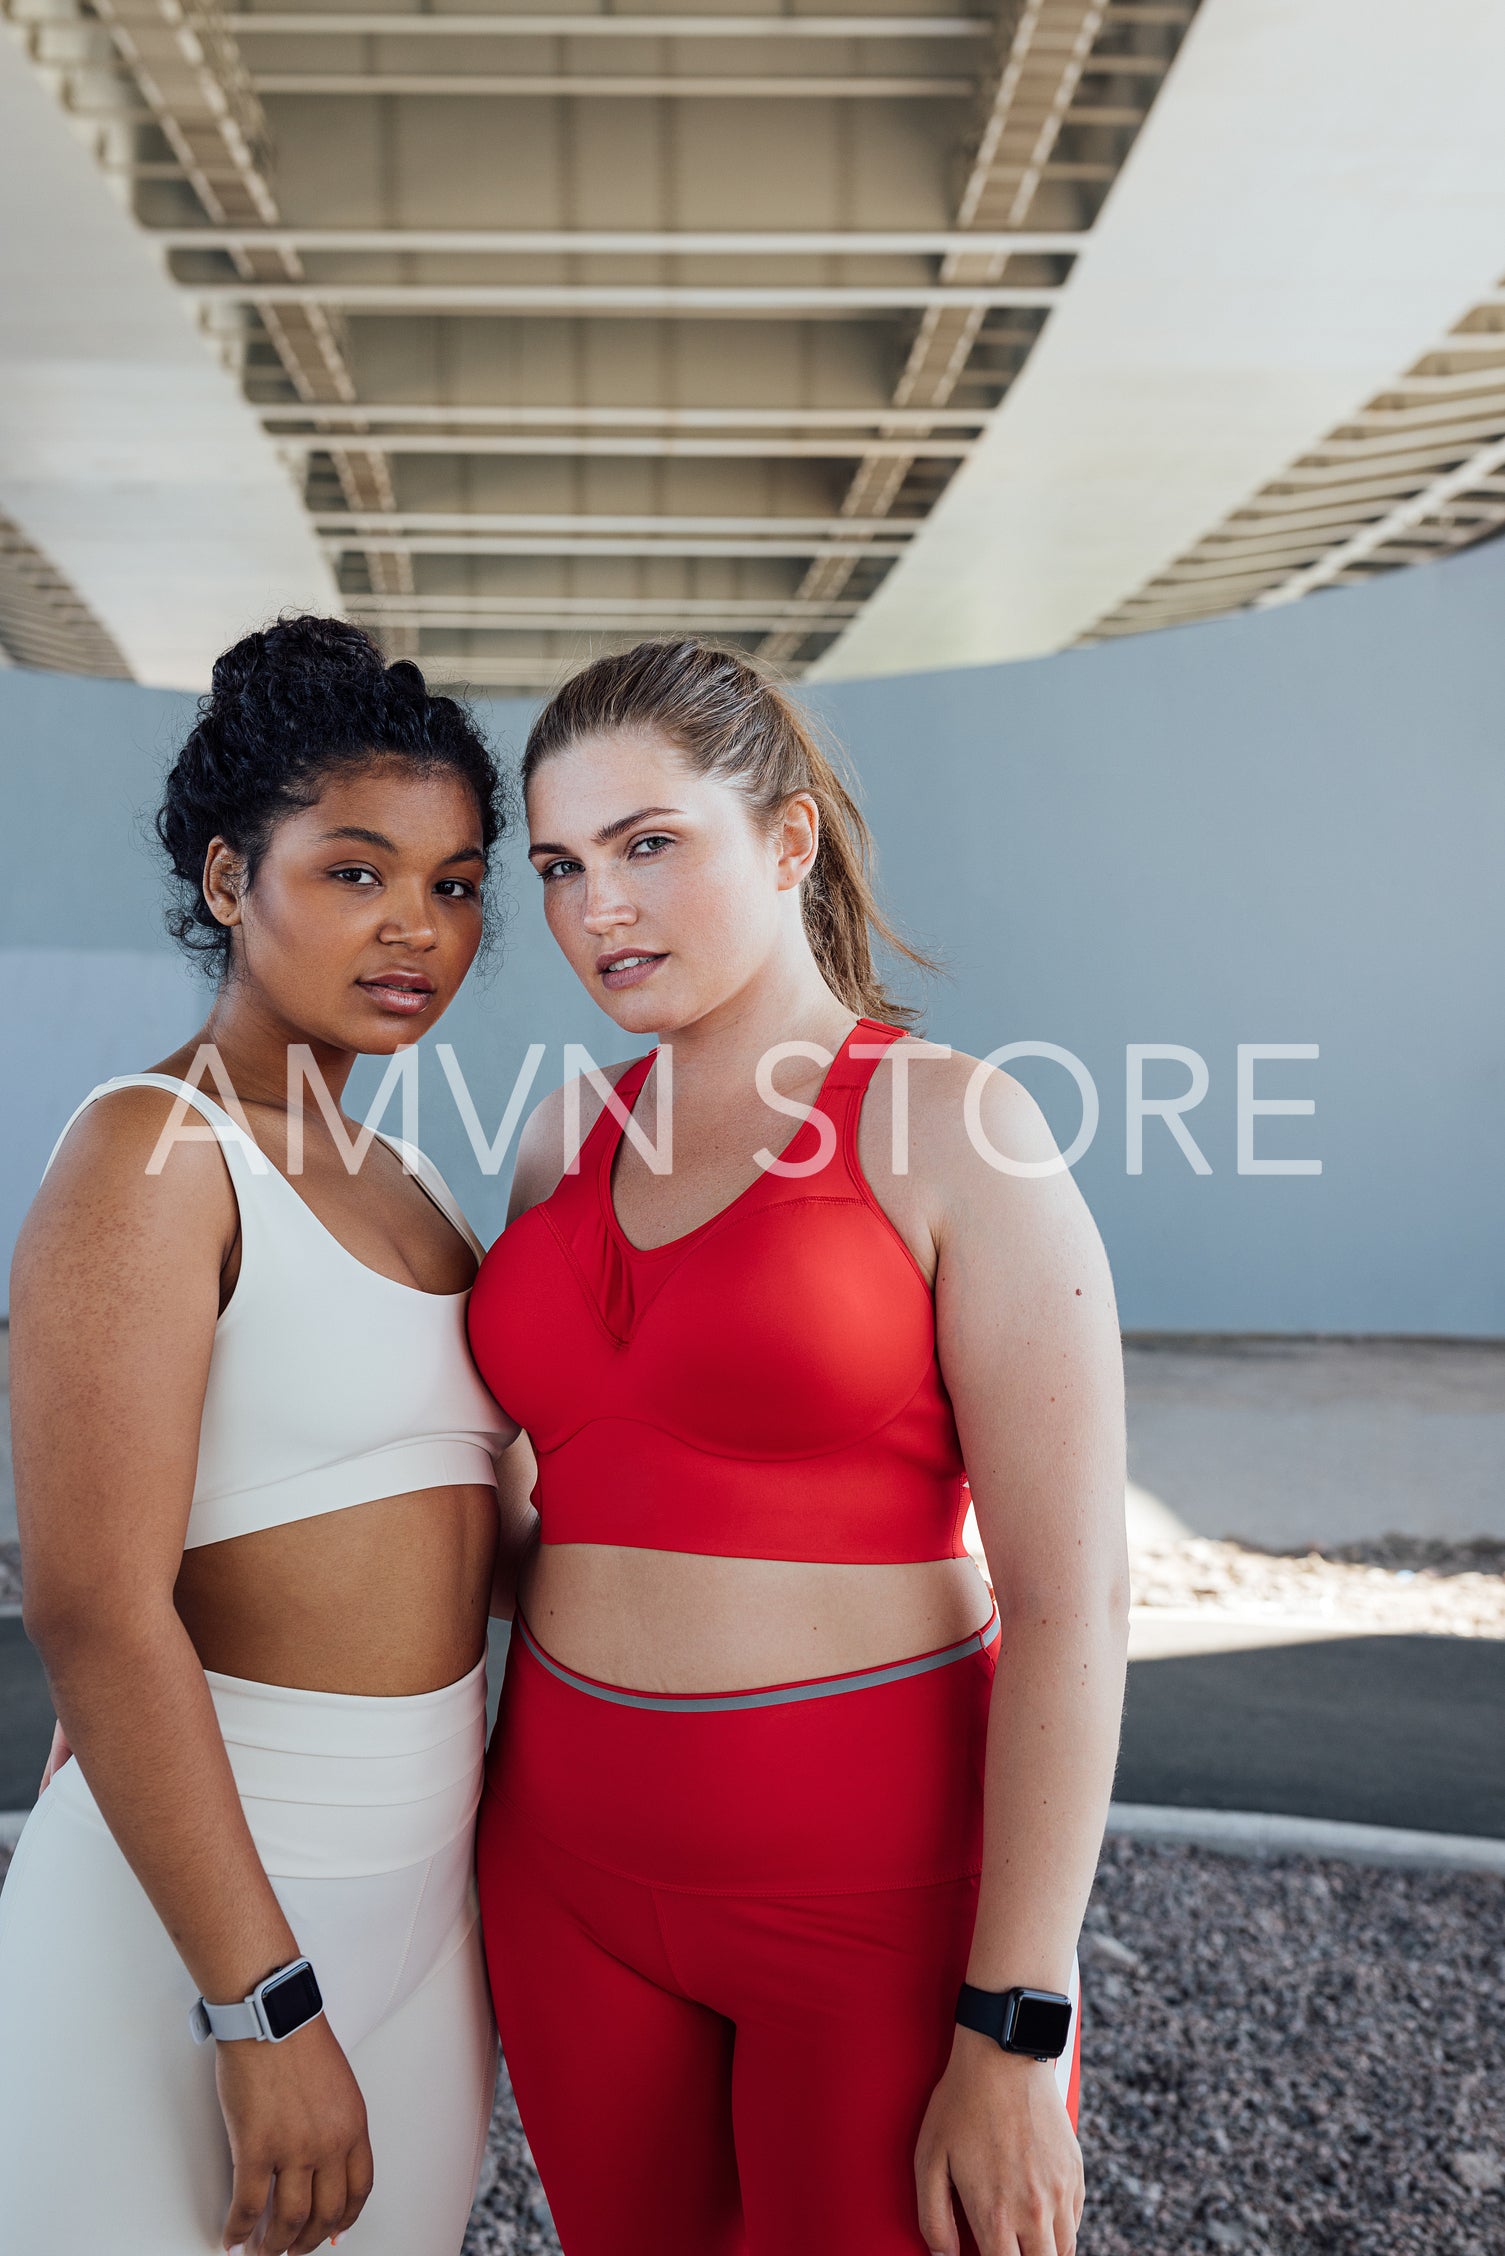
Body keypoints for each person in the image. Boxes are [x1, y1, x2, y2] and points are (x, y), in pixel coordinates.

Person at [467, 638, 1130, 2256]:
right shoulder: (562, 1138)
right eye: (558, 866)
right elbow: (494, 1522)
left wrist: (1017, 2020)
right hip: (560, 1878)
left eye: (647, 844)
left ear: (784, 841)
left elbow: (1074, 1605)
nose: (595, 907)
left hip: (869, 1907)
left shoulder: (958, 1128)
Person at [0, 618, 524, 2256]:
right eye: (356, 871)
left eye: (451, 883)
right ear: (231, 880)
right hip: (203, 1934)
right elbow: (90, 1600)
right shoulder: (150, 1154)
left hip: (422, 1916)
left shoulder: (420, 1185)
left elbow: (478, 1552)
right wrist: (261, 2006)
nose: (416, 930)